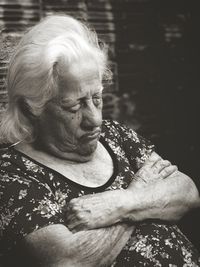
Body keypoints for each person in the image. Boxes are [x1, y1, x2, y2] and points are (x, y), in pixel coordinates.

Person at [0, 14, 200, 267]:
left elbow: (187, 191)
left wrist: (121, 203)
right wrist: (145, 194)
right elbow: (68, 260)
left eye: (97, 98)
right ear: (31, 108)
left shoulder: (115, 134)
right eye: (74, 106)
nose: (94, 119)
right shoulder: (12, 174)